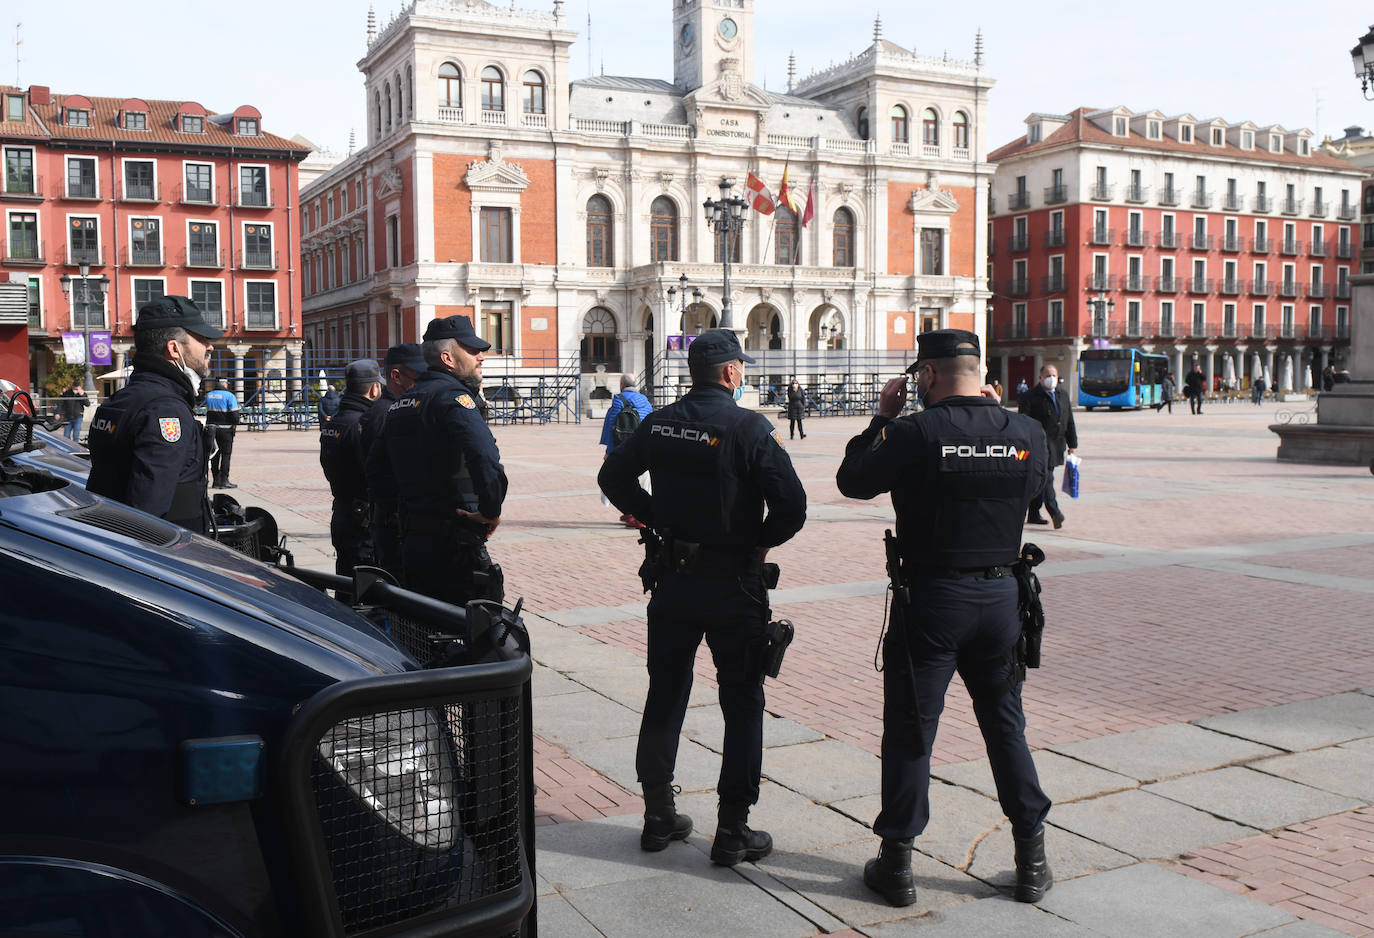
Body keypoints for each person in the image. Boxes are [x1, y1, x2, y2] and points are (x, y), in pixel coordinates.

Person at [835, 328, 1053, 909]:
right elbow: (1035, 489)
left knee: (911, 729)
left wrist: (881, 419)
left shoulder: (912, 431)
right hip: (1002, 601)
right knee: (1006, 727)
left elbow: (852, 480)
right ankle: (1032, 858)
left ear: (925, 376)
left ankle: (897, 863)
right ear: (979, 373)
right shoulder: (1027, 431)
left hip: (931, 602)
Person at [598, 329, 807, 867]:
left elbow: (613, 474)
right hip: (734, 582)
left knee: (665, 692)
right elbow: (792, 505)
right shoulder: (748, 427)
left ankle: (656, 813)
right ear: (732, 373)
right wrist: (759, 541)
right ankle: (733, 828)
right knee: (741, 701)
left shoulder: (661, 420)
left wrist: (657, 516)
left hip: (673, 579)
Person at [374, 316, 507, 604]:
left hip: (411, 540)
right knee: (469, 627)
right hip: (454, 542)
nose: (480, 356)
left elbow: (376, 469)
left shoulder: (400, 404)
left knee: (422, 626)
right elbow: (484, 457)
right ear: (448, 358)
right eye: (472, 350)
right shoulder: (453, 399)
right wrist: (490, 510)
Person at [86, 296, 221, 533]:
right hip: (172, 557)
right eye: (201, 339)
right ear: (174, 349)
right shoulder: (165, 410)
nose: (209, 346)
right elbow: (146, 514)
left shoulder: (123, 399)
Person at [361, 342, 426, 577]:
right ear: (397, 376)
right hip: (393, 522)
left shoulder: (394, 409)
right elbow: (379, 471)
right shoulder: (387, 413)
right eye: (419, 377)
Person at [321, 360, 384, 586]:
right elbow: (371, 473)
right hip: (362, 521)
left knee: (345, 581)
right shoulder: (361, 424)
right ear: (374, 389)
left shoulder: (336, 421)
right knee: (364, 590)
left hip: (342, 512)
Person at [1017, 364, 1076, 529]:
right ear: (1040, 378)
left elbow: (1069, 421)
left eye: (1054, 375)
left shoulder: (1062, 395)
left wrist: (1073, 444)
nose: (1052, 379)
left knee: (1043, 479)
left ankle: (1034, 513)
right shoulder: (1030, 397)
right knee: (1047, 479)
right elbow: (1023, 421)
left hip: (1057, 445)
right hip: (1039, 445)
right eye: (1048, 375)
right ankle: (1055, 512)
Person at [599, 374, 654, 529]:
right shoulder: (645, 400)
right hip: (642, 445)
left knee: (618, 480)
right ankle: (632, 512)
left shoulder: (619, 399)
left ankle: (637, 515)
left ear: (622, 384)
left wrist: (609, 450)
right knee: (643, 480)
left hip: (622, 445)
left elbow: (611, 424)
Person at [203, 379, 241, 489]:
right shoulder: (229, 396)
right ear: (224, 384)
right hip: (226, 430)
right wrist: (235, 422)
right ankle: (224, 480)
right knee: (226, 455)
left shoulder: (209, 395)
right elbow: (234, 415)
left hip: (212, 430)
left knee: (214, 454)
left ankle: (216, 480)